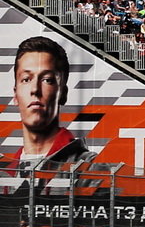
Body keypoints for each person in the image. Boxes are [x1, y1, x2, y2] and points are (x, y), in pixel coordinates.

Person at [6, 35, 89, 171]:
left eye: (47, 80)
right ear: (15, 95)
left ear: (63, 93)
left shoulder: (89, 168)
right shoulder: (6, 175)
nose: (35, 90)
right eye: (26, 79)